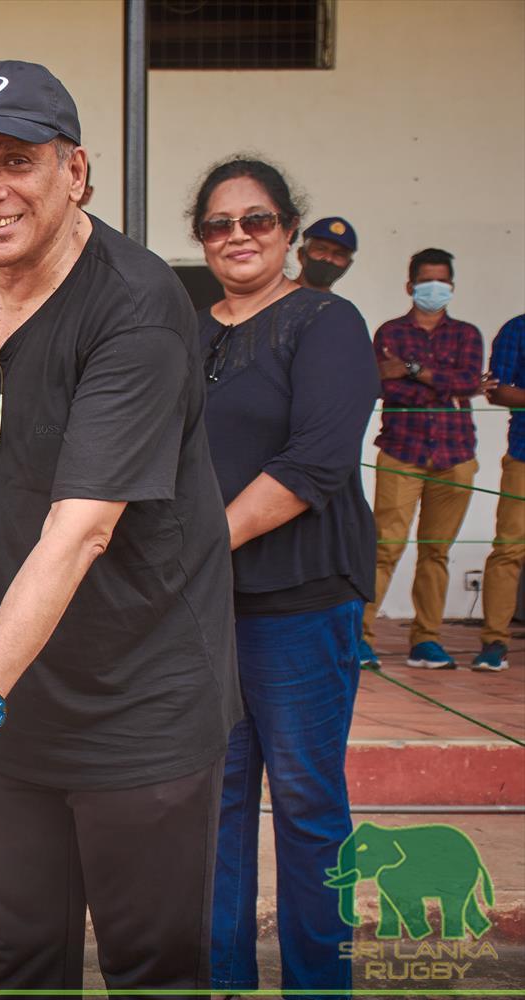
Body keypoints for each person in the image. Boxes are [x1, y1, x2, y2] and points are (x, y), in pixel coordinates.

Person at [0, 61, 239, 993]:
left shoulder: (136, 310)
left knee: (154, 971)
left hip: (137, 707)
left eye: (16, 161)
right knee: (23, 964)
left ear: (77, 172)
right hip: (9, 703)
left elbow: (80, 533)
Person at [189, 157, 378, 995]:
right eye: (220, 224)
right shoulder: (187, 334)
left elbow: (318, 463)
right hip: (204, 612)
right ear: (200, 238)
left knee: (307, 808)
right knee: (215, 812)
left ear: (290, 232)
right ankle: (221, 978)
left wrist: (199, 545)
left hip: (300, 603)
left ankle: (318, 983)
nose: (238, 236)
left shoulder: (327, 322)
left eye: (257, 220)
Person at [363, 248, 485, 669]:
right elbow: (384, 386)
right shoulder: (390, 332)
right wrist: (437, 383)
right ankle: (361, 638)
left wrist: (412, 369)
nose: (435, 288)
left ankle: (426, 640)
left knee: (436, 551)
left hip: (455, 455)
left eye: (443, 281)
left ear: (451, 286)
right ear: (410, 286)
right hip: (402, 451)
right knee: (384, 547)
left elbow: (470, 384)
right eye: (427, 281)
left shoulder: (467, 334)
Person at [475, 313, 525, 671]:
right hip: (524, 455)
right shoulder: (517, 328)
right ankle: (495, 641)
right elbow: (497, 389)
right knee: (509, 548)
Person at [294, 216, 357, 291]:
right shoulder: (277, 297)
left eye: (339, 254)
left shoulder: (340, 303)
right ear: (301, 254)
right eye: (321, 249)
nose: (328, 258)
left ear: (348, 265)